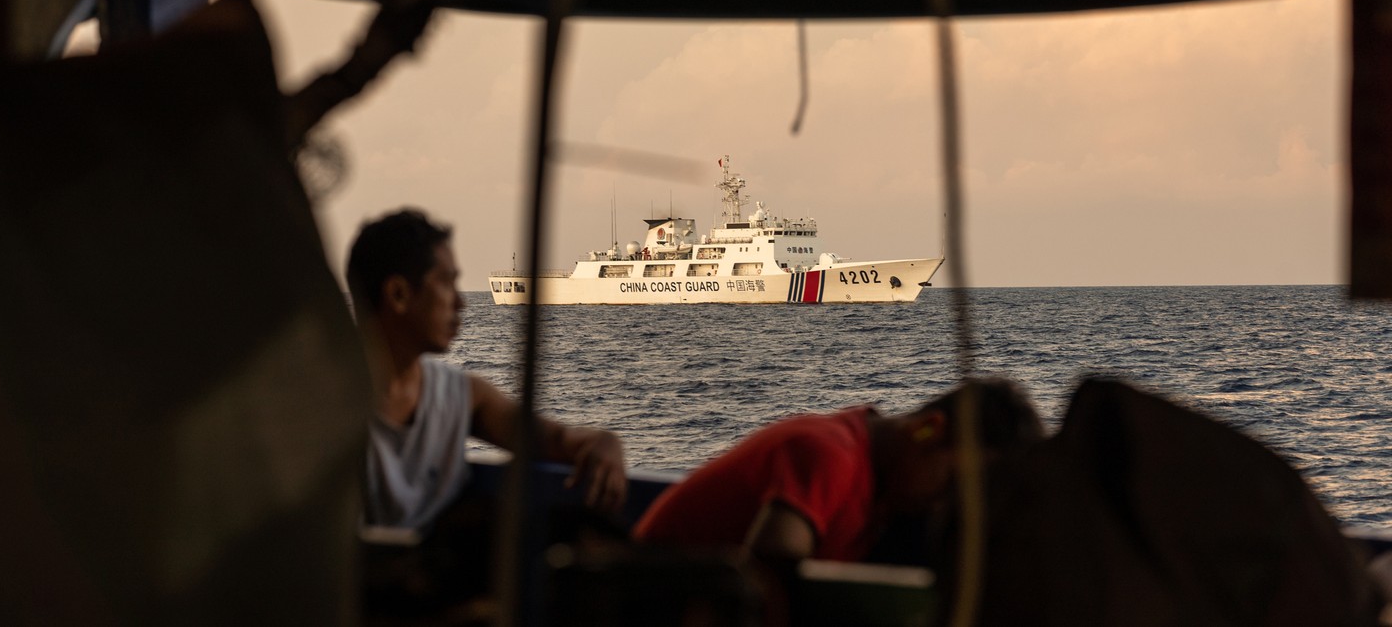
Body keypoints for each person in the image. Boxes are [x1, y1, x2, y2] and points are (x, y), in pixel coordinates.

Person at [346, 208, 627, 533]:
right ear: (398, 294)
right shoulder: (321, 408)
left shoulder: (460, 396)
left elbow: (553, 438)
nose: (461, 303)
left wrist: (601, 441)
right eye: (447, 283)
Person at [632, 377, 1044, 563]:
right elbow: (772, 566)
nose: (944, 505)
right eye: (952, 485)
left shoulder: (881, 489)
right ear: (925, 430)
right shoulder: (832, 455)